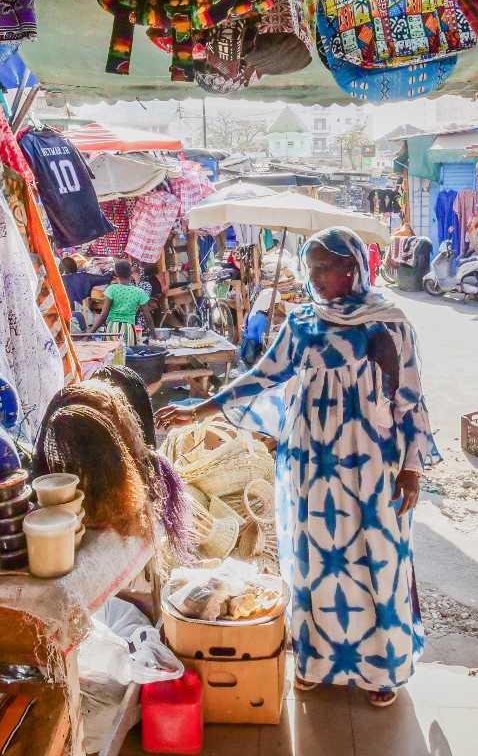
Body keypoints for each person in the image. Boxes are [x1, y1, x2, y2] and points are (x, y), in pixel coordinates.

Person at [156, 226, 441, 708]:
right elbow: (260, 377)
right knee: (313, 560)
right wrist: (201, 408)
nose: (314, 278)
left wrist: (412, 467)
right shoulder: (303, 323)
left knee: (379, 558)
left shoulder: (389, 325)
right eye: (310, 270)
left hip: (373, 464)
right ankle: (314, 661)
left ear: (352, 268)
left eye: (323, 269)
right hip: (311, 463)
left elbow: (410, 401)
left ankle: (382, 668)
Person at [91, 259, 153, 345]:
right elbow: (148, 317)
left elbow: (103, 315)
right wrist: (154, 335)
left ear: (115, 273)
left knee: (111, 357)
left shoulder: (111, 289)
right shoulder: (139, 292)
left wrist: (90, 334)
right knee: (128, 356)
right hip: (129, 330)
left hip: (112, 330)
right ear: (131, 273)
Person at [60, 256, 112, 332]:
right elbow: (106, 279)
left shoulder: (58, 280)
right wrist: (110, 271)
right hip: (86, 316)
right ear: (75, 266)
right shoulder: (85, 277)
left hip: (66, 317)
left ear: (61, 268)